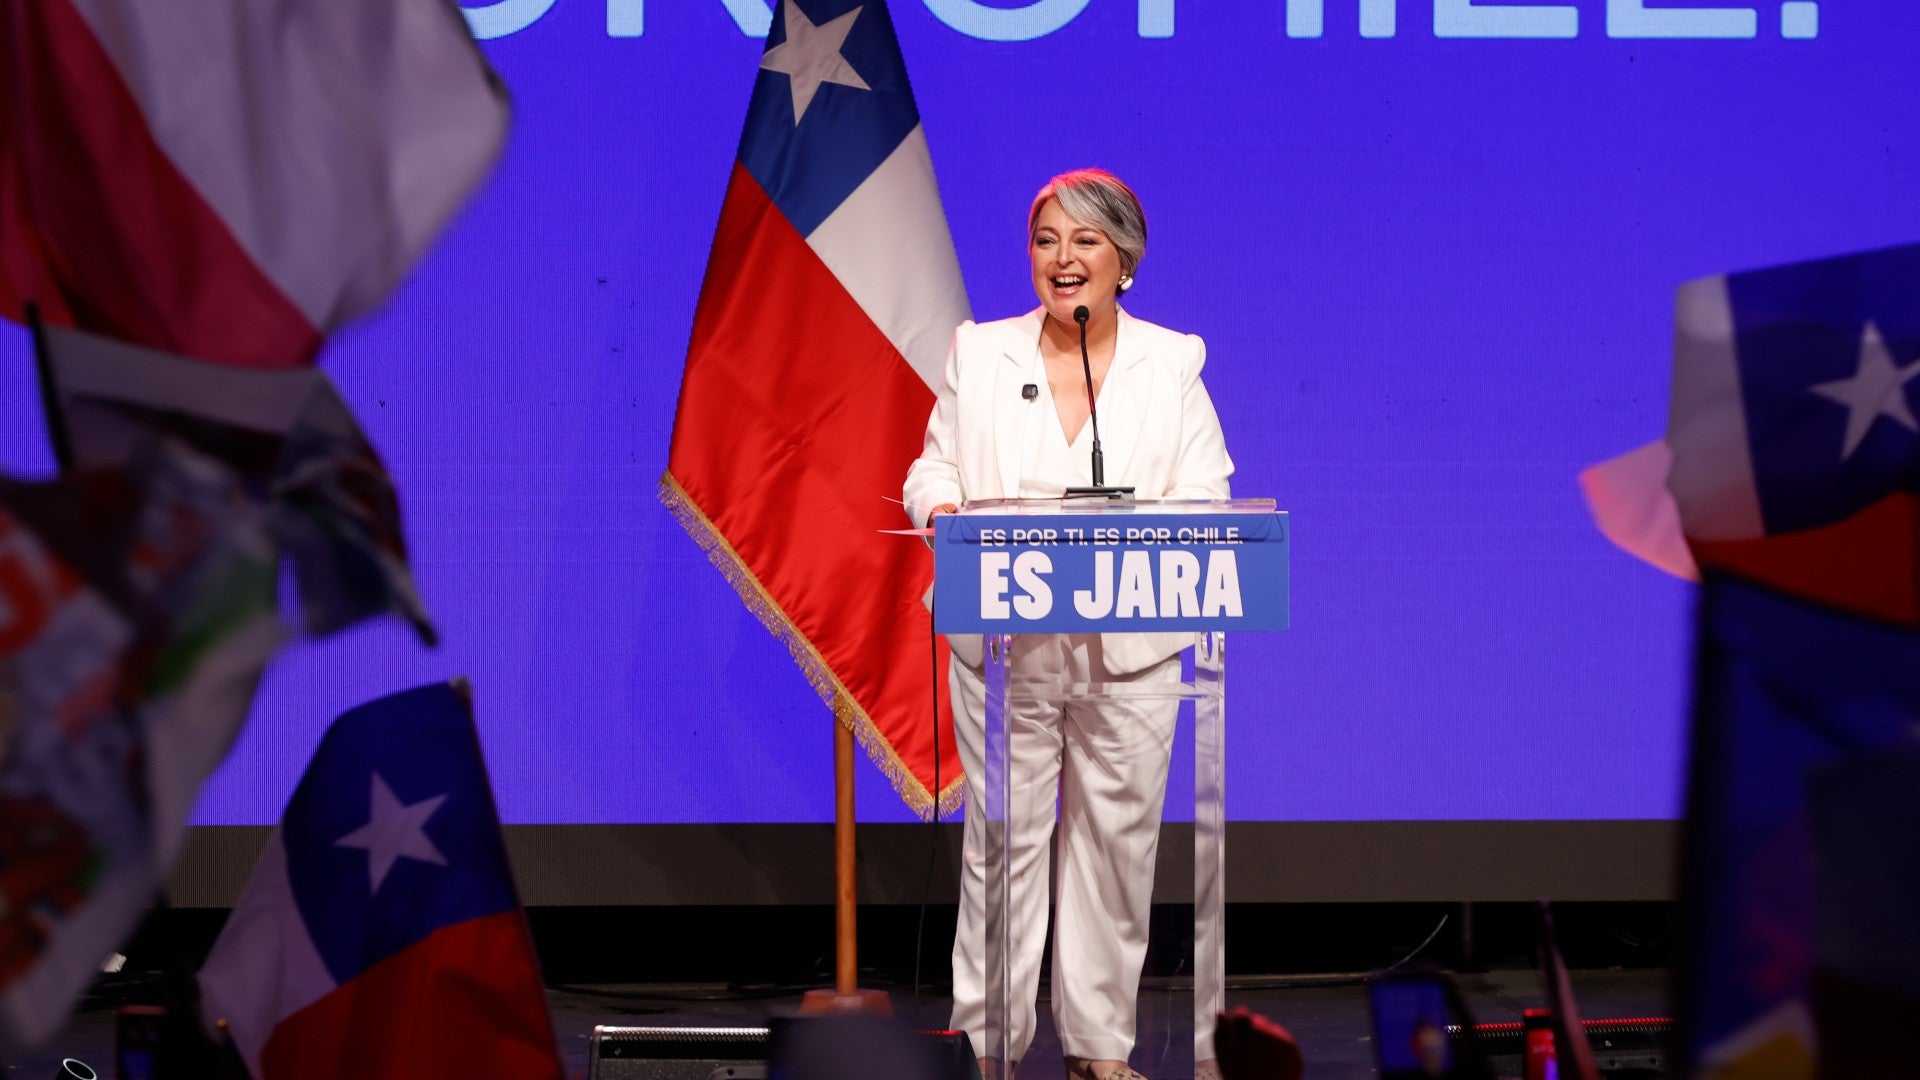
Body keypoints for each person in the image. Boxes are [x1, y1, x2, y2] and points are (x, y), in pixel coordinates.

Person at [903, 169, 1234, 1080]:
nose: (1064, 260)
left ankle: (1096, 1052)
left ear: (1124, 259)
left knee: (1114, 850)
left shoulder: (1172, 364)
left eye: (1085, 241)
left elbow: (1208, 495)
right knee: (1004, 844)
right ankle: (988, 1047)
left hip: (1129, 646)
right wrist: (941, 514)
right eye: (1047, 240)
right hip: (1008, 641)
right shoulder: (982, 353)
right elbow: (932, 470)